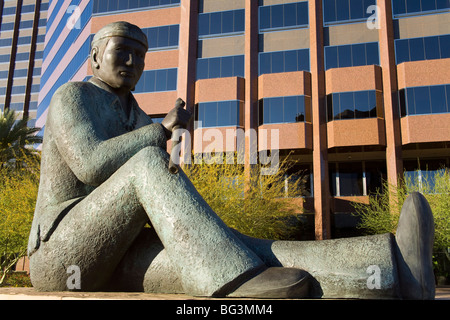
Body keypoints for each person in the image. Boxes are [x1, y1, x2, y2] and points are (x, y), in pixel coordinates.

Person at [28, 21, 435, 299]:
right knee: (151, 166)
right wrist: (161, 132)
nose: (134, 63)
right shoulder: (72, 97)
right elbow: (91, 166)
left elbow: (151, 192)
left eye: (141, 55)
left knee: (242, 250)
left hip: (117, 254)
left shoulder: (135, 113)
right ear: (95, 57)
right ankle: (228, 281)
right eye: (123, 52)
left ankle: (394, 268)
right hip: (61, 255)